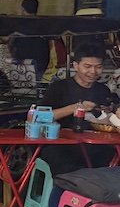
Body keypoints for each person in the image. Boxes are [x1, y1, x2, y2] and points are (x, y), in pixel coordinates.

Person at [38, 42, 114, 175]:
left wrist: (109, 114)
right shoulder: (59, 88)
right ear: (76, 65)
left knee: (111, 160)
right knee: (65, 164)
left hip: (94, 145)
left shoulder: (103, 90)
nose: (93, 72)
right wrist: (76, 108)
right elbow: (39, 117)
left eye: (98, 67)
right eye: (87, 66)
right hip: (62, 145)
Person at [8, 0, 51, 80]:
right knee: (36, 86)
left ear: (23, 9)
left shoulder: (19, 25)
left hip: (22, 62)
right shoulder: (44, 24)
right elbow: (50, 43)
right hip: (41, 61)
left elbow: (11, 43)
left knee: (22, 88)